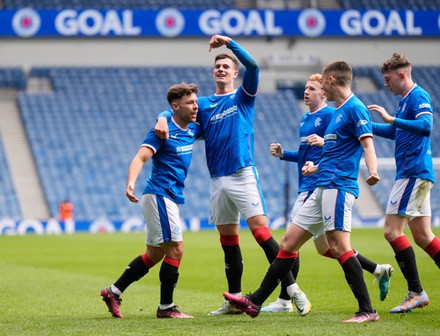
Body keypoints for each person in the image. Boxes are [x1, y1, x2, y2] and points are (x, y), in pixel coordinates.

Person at [155, 35, 311, 316]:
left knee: (263, 234)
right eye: (217, 67)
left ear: (235, 73)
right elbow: (178, 106)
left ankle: (293, 291)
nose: (221, 69)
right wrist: (163, 116)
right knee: (228, 241)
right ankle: (235, 300)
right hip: (218, 179)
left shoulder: (242, 97)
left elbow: (254, 67)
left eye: (226, 66)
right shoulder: (202, 105)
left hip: (242, 174)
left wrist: (229, 43)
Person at [224, 61, 382, 323]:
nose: (310, 90)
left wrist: (373, 171)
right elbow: (334, 153)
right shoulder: (339, 112)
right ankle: (255, 302)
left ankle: (367, 310)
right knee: (288, 243)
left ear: (330, 81)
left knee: (339, 247)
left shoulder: (354, 108)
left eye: (318, 86)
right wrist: (315, 166)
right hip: (321, 187)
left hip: (339, 187)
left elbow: (367, 143)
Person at [261, 73, 393, 313]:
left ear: (325, 91)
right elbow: (308, 154)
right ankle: (377, 269)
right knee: (324, 249)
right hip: (314, 182)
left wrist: (370, 168)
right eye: (306, 88)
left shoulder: (334, 114)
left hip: (323, 185)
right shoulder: (305, 118)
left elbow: (346, 146)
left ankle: (285, 299)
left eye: (313, 88)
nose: (307, 91)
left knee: (296, 244)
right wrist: (285, 154)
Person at [100, 82, 201, 319]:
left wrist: (163, 114)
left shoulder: (193, 128)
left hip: (170, 197)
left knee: (154, 255)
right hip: (159, 194)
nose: (196, 107)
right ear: (176, 106)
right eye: (190, 103)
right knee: (176, 249)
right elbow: (140, 158)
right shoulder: (161, 132)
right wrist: (130, 182)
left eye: (196, 102)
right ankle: (166, 307)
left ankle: (113, 292)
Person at [368, 52, 440, 313]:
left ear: (402, 75)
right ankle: (416, 292)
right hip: (415, 172)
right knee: (423, 236)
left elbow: (425, 126)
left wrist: (391, 119)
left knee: (391, 231)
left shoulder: (418, 96)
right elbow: (396, 131)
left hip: (413, 172)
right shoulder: (404, 101)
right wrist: (369, 126)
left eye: (388, 79)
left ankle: (416, 292)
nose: (386, 84)